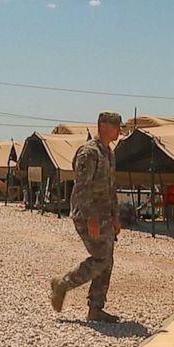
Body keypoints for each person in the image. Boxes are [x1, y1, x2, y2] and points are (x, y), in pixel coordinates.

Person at [49, 111, 123, 323]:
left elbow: (111, 189)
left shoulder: (109, 153)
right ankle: (62, 284)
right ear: (103, 127)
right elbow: (82, 188)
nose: (119, 131)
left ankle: (96, 308)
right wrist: (90, 217)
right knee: (101, 258)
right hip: (87, 215)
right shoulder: (88, 153)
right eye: (116, 126)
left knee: (107, 260)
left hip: (105, 216)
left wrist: (115, 217)